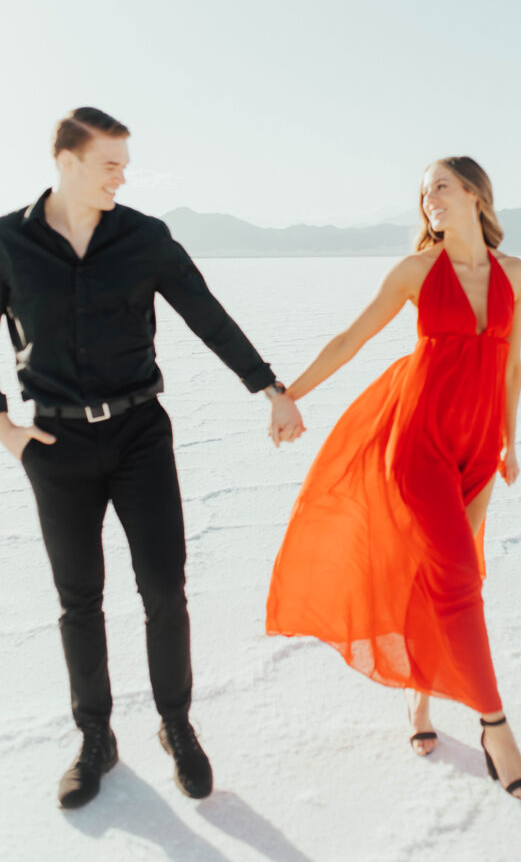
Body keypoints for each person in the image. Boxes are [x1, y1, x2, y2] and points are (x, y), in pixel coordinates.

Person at [0, 107, 304, 809]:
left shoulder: (144, 239)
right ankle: (96, 737)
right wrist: (7, 431)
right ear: (67, 161)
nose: (122, 177)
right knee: (79, 599)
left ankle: (175, 723)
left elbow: (207, 315)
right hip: (54, 444)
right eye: (110, 164)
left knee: (164, 586)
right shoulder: (9, 244)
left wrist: (270, 389)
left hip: (140, 434)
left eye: (125, 165)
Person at [266, 156, 521, 801]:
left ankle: (421, 706)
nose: (430, 202)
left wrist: (509, 441)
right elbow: (349, 339)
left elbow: (513, 366)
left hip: (478, 449)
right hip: (419, 445)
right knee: (456, 581)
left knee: (453, 575)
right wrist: (288, 394)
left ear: (475, 193)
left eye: (441, 187)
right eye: (424, 195)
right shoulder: (417, 272)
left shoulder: (517, 274)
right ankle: (495, 729)